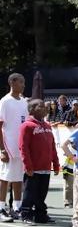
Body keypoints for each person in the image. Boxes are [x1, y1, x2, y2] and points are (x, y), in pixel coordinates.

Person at [18, 99, 59, 224]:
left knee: (42, 194)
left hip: (45, 167)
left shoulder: (47, 126)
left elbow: (52, 147)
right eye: (40, 106)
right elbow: (23, 147)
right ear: (32, 110)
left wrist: (56, 164)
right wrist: (28, 166)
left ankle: (41, 215)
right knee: (30, 193)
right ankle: (26, 214)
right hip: (33, 168)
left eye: (44, 106)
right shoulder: (27, 126)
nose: (44, 108)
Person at [0, 73, 28, 222]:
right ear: (12, 82)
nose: (23, 84)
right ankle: (1, 208)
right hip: (8, 146)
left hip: (20, 147)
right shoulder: (4, 101)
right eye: (21, 82)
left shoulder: (24, 102)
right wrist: (2, 149)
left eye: (24, 82)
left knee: (18, 179)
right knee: (4, 178)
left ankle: (17, 208)